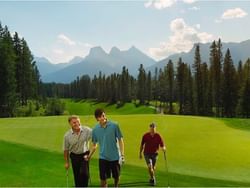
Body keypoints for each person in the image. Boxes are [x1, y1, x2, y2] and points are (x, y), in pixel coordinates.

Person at [87, 108, 125, 187]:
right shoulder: (95, 129)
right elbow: (94, 145)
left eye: (103, 115)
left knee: (116, 177)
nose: (103, 117)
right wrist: (89, 156)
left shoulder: (114, 125)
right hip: (103, 157)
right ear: (97, 118)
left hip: (115, 157)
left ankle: (116, 186)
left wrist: (122, 155)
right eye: (100, 116)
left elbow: (120, 140)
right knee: (103, 179)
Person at [63, 115, 92, 187]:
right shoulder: (67, 136)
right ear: (70, 124)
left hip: (84, 155)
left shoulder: (87, 130)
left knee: (84, 174)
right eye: (74, 122)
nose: (77, 124)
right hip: (74, 156)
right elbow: (66, 150)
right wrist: (66, 162)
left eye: (78, 122)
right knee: (77, 176)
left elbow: (96, 136)